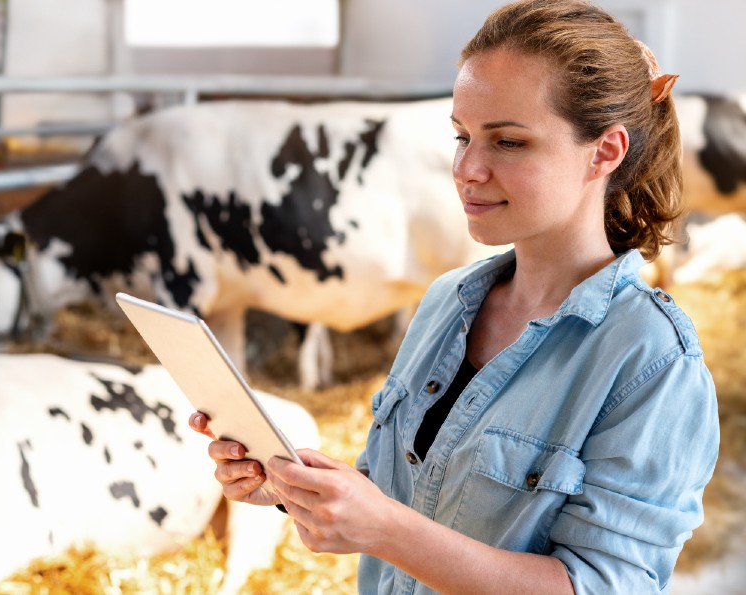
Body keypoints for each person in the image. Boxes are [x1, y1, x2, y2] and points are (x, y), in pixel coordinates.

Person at [189, 1, 720, 592]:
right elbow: (406, 494)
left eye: (509, 142)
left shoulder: (652, 361)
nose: (468, 169)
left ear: (605, 151)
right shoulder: (447, 302)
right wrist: (296, 489)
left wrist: (384, 528)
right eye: (462, 136)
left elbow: (601, 585)